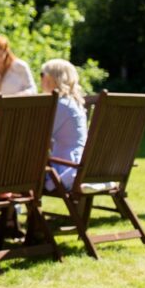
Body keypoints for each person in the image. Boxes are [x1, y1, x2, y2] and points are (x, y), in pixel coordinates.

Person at [40, 59, 87, 191]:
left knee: (15, 171)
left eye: (42, 75)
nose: (41, 79)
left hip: (65, 170)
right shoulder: (73, 102)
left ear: (52, 79)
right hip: (79, 164)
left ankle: (12, 207)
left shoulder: (60, 105)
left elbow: (38, 136)